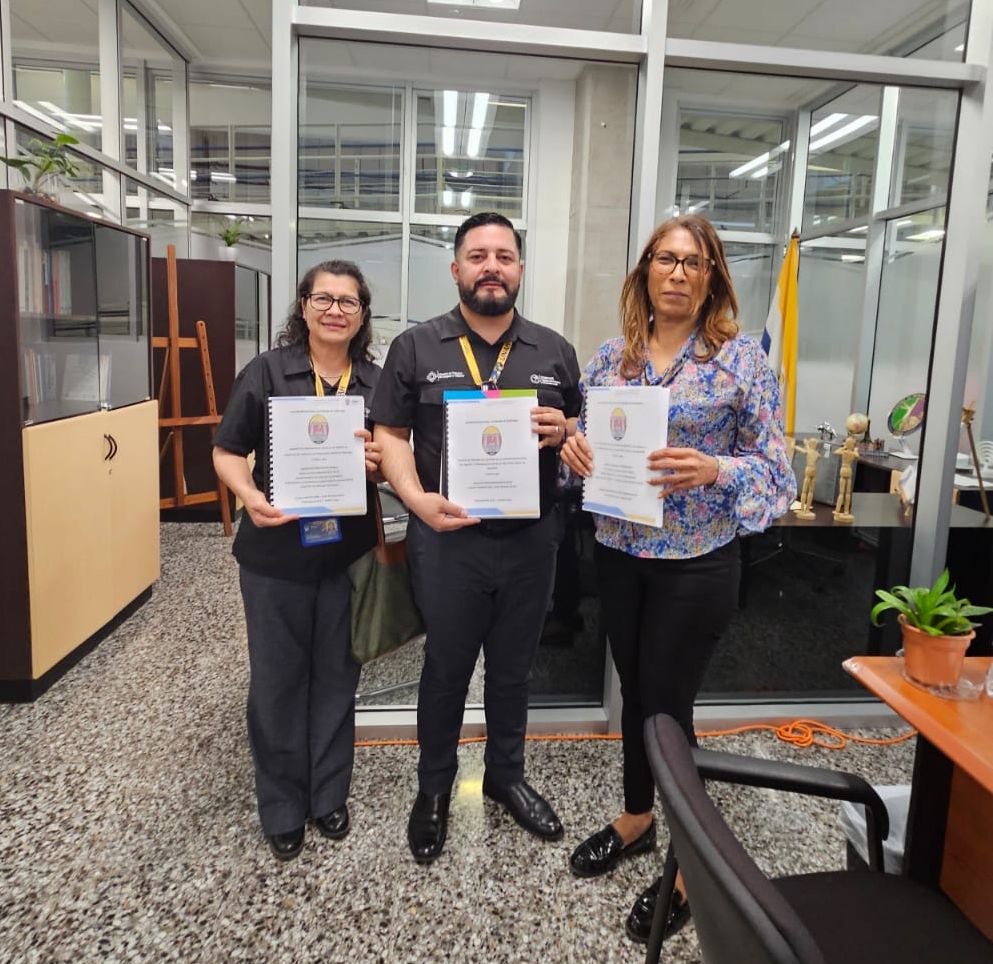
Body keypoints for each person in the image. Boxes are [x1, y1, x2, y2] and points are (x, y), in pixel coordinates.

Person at [560, 214, 795, 943]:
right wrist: (573, 447)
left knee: (667, 709)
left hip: (696, 563)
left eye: (693, 262)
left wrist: (714, 467)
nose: (678, 273)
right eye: (666, 259)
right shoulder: (612, 359)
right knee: (636, 696)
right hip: (620, 554)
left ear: (711, 277)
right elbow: (584, 440)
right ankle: (637, 818)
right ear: (645, 271)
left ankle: (691, 867)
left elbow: (778, 475)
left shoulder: (742, 363)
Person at [371, 211, 582, 864]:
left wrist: (566, 433)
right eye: (478, 255)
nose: (492, 266)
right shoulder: (416, 347)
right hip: (447, 541)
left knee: (514, 670)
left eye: (504, 256)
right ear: (456, 268)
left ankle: (505, 776)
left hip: (530, 541)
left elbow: (579, 433)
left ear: (519, 269)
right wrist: (415, 502)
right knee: (446, 669)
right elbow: (389, 435)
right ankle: (433, 787)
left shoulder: (553, 350)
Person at [213, 260, 383, 861]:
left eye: (348, 301)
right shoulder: (267, 371)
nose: (336, 310)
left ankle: (328, 794)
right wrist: (248, 495)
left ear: (362, 314)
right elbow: (227, 450)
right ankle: (282, 804)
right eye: (324, 299)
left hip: (347, 556)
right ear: (304, 306)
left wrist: (380, 463)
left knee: (339, 678)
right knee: (278, 681)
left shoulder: (375, 381)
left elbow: (396, 458)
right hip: (275, 556)